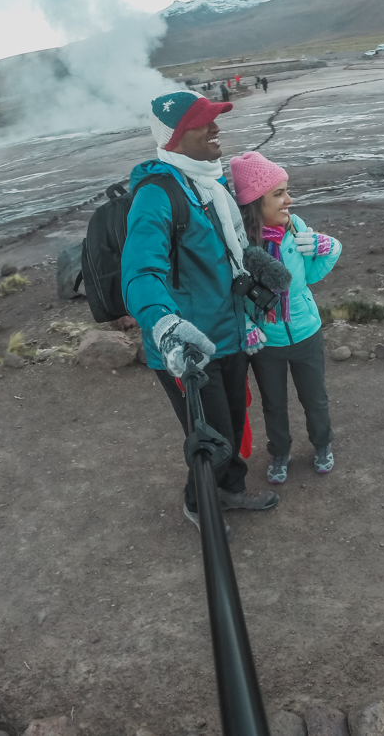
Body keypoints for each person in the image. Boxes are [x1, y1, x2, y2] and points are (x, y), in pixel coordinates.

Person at [123, 90, 279, 539]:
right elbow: (138, 273)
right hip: (187, 347)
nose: (216, 129)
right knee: (211, 437)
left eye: (215, 119)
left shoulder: (207, 185)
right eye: (203, 122)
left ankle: (229, 491)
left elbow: (226, 252)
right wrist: (167, 325)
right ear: (174, 137)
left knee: (231, 420)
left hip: (227, 333)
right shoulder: (157, 195)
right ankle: (199, 504)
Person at [229, 152, 342, 485]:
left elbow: (310, 276)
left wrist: (330, 248)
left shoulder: (296, 228)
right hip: (268, 344)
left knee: (315, 398)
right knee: (273, 405)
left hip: (307, 333)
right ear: (253, 203)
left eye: (286, 190)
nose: (289, 200)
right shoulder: (237, 246)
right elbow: (231, 293)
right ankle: (279, 452)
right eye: (278, 193)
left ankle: (322, 445)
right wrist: (246, 325)